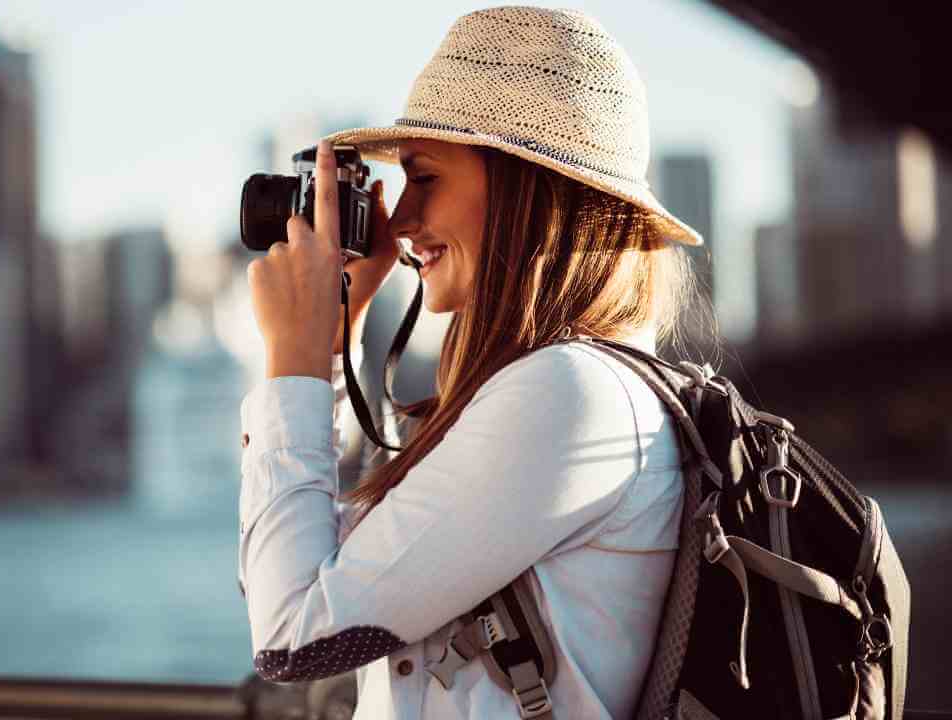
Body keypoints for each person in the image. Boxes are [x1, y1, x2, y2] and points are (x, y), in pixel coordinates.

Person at [238, 7, 706, 719]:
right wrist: (335, 343)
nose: (398, 223)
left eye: (423, 180)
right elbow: (291, 571)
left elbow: (292, 640)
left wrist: (295, 362)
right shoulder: (555, 391)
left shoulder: (570, 394)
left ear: (526, 189)